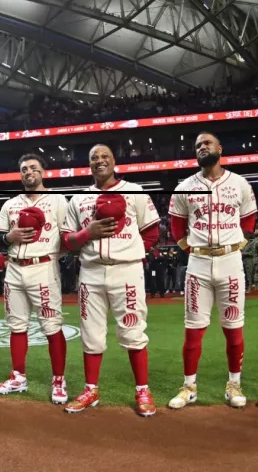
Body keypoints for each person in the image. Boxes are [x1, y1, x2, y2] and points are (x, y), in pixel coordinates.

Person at [61, 144, 160, 417]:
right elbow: (67, 241)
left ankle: (142, 389)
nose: (99, 161)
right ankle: (91, 389)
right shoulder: (78, 200)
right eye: (94, 158)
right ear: (89, 164)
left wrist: (132, 254)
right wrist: (87, 234)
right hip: (91, 272)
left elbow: (151, 232)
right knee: (90, 333)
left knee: (133, 330)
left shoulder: (135, 192)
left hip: (126, 271)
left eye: (105, 156)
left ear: (115, 161)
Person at [167, 131, 257, 411]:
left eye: (207, 143)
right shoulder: (185, 186)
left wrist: (239, 243)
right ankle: (189, 386)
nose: (202, 147)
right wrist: (190, 250)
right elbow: (176, 226)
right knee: (194, 329)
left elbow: (250, 219)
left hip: (230, 261)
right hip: (199, 264)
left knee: (233, 328)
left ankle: (234, 384)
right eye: (197, 146)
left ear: (219, 147)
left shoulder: (240, 183)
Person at [0, 153, 69, 404]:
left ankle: (58, 380)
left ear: (43, 172)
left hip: (43, 267)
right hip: (14, 268)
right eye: (24, 169)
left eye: (33, 168)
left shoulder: (58, 201)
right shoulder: (10, 204)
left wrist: (54, 255)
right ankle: (18, 376)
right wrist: (9, 238)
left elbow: (68, 236)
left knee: (51, 326)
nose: (28, 172)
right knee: (16, 325)